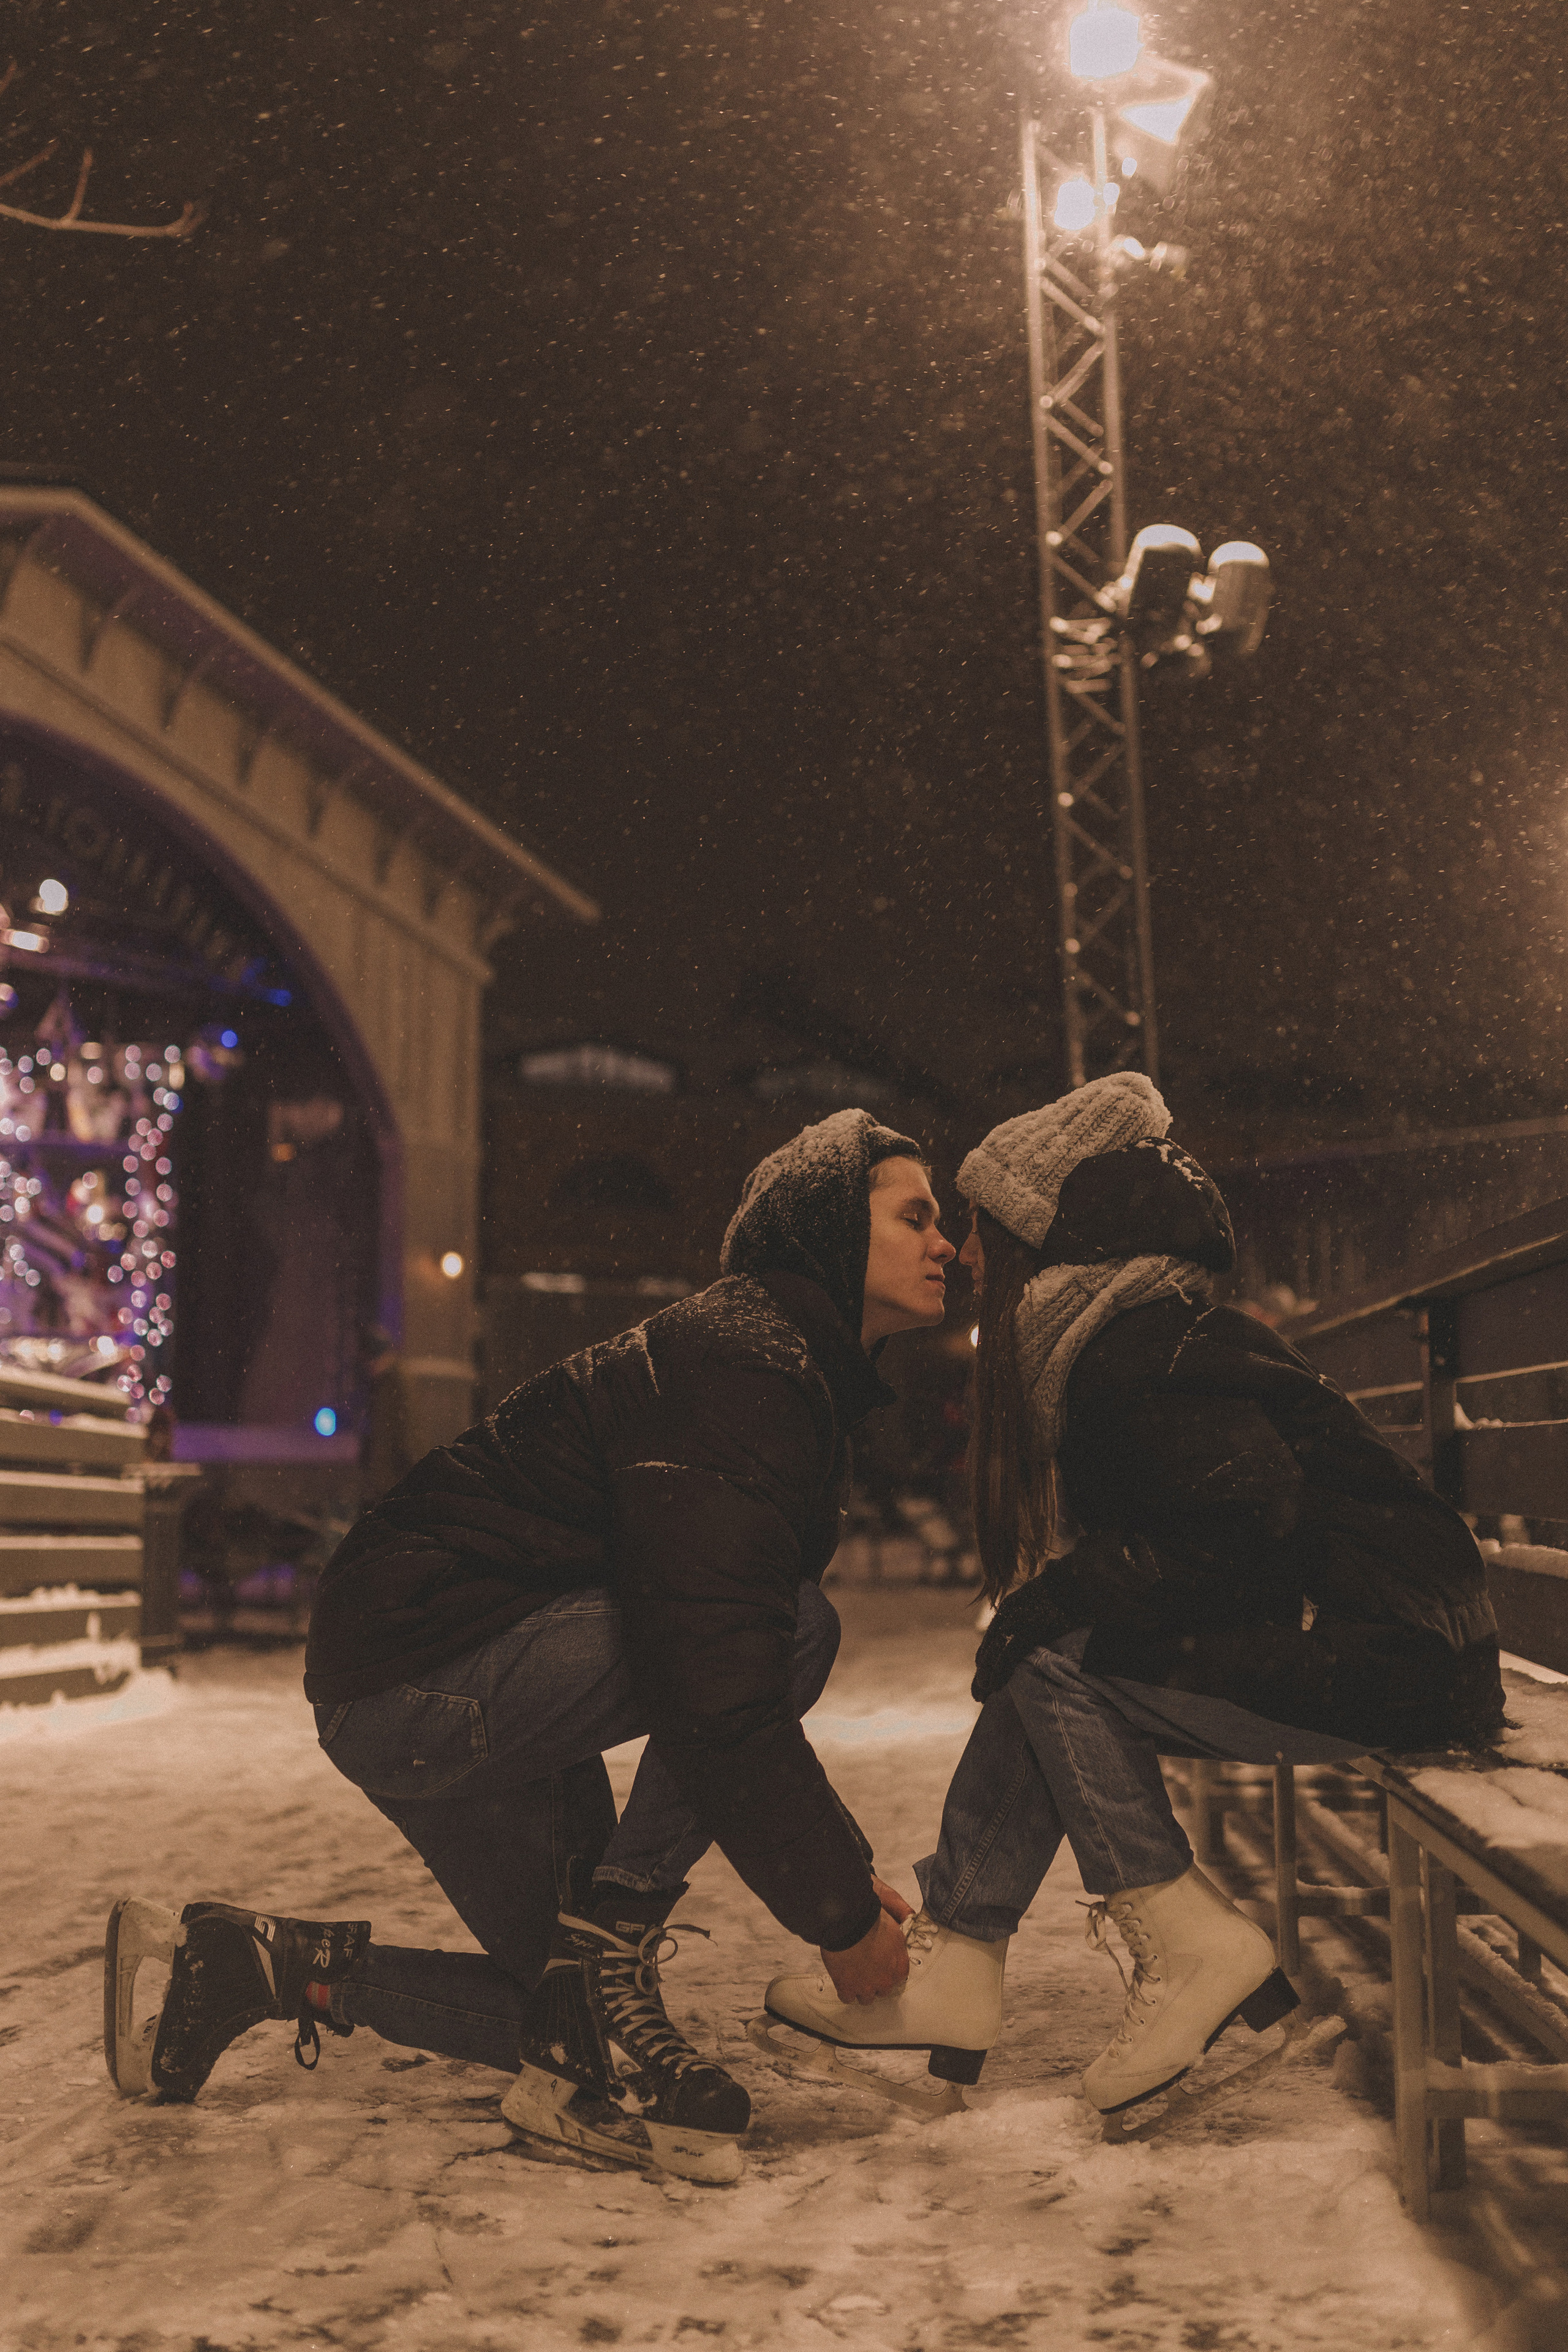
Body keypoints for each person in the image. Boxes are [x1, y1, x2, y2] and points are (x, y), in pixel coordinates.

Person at [104, 1110, 954, 2184]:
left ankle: (256, 1966)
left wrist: (843, 1871)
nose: (946, 1244)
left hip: (436, 1668)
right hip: (425, 1669)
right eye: (915, 1217)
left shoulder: (768, 1362)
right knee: (790, 1628)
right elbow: (717, 1671)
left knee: (561, 2012)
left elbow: (719, 1656)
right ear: (830, 1229)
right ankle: (611, 1948)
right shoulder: (744, 1364)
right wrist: (837, 1910)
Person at [766, 1072, 1504, 2116]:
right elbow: (1225, 1535)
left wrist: (1060, 1597)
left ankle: (1177, 1940)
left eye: (982, 1229)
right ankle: (959, 1960)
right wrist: (1060, 1601)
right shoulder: (1141, 1333)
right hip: (1385, 1639)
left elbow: (1245, 1528)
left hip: (1393, 1659)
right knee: (1044, 1651)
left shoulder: (1133, 1352)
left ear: (1042, 1238)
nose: (967, 1254)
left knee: (1053, 1657)